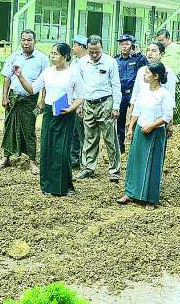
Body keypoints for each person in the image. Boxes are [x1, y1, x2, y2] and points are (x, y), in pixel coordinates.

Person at [14, 43, 84, 196]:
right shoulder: (47, 72)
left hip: (65, 114)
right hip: (49, 112)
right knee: (47, 148)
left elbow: (81, 96)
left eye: (56, 54)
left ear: (65, 56)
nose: (53, 56)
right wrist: (20, 76)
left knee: (61, 151)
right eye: (51, 53)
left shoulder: (73, 72)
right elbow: (32, 89)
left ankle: (63, 187)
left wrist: (71, 108)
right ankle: (47, 186)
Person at [117, 62, 174, 206]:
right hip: (140, 130)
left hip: (155, 132)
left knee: (152, 164)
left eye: (148, 72)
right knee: (134, 162)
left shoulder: (164, 94)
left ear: (156, 76)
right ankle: (130, 192)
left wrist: (151, 126)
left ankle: (150, 198)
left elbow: (167, 116)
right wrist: (131, 127)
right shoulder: (144, 91)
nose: (144, 74)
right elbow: (137, 111)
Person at [0, 29, 49, 174]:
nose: (26, 43)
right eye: (23, 40)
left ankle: (32, 161)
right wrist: (4, 97)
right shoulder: (14, 56)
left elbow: (46, 83)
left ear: (35, 41)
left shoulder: (42, 59)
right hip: (13, 99)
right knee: (9, 127)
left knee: (29, 130)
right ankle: (6, 157)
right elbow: (7, 78)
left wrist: (42, 101)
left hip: (30, 100)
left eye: (29, 40)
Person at [76, 35, 122, 182]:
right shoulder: (82, 63)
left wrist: (116, 106)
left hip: (105, 103)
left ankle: (114, 169)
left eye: (97, 51)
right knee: (89, 137)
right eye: (91, 52)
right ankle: (88, 167)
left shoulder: (110, 62)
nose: (94, 55)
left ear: (101, 48)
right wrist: (79, 104)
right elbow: (78, 85)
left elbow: (116, 85)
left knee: (110, 138)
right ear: (87, 49)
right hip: (88, 103)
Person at [115, 34, 148, 153]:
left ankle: (135, 145)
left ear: (132, 45)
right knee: (120, 120)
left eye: (127, 44)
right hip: (121, 94)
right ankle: (120, 145)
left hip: (134, 94)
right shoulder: (116, 60)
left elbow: (146, 68)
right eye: (122, 44)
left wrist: (139, 53)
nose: (124, 46)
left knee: (136, 118)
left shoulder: (137, 59)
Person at [155, 29, 180, 125]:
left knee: (178, 100)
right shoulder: (157, 49)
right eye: (158, 40)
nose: (160, 42)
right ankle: (161, 120)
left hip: (176, 79)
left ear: (168, 38)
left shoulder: (178, 48)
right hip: (160, 79)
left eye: (162, 40)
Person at [69, 35, 89, 170]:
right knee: (74, 132)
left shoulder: (87, 62)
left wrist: (80, 104)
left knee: (83, 133)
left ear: (81, 47)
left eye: (75, 45)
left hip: (81, 102)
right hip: (72, 101)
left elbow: (84, 85)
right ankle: (74, 159)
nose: (72, 48)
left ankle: (85, 161)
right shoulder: (75, 61)